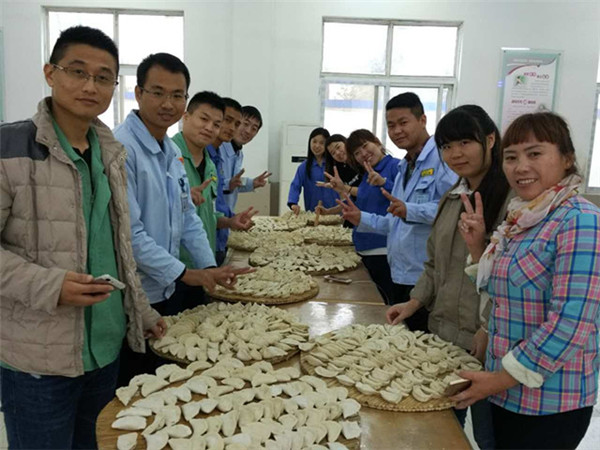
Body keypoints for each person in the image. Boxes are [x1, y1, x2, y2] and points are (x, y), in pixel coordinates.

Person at [0, 26, 164, 449]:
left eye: (103, 77)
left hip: (105, 349)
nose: (90, 86)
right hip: (39, 359)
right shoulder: (10, 147)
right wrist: (50, 285)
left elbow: (119, 247)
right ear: (50, 73)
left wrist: (141, 312)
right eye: (77, 71)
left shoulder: (110, 153)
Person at [452, 112, 600, 449]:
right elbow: (502, 293)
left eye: (534, 153)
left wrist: (499, 380)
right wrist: (477, 248)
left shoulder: (580, 221)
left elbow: (571, 323)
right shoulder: (524, 217)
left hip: (550, 401)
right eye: (511, 157)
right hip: (504, 391)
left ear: (567, 158)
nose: (521, 167)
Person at [114, 54, 250, 379]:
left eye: (177, 95)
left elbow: (188, 216)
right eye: (157, 92)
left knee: (166, 374)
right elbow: (129, 234)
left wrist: (209, 268)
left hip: (166, 288)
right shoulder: (122, 148)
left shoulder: (171, 152)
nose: (167, 103)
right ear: (138, 93)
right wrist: (186, 273)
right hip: (135, 293)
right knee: (137, 381)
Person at [386, 105, 511, 449]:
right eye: (447, 146)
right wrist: (414, 303)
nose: (455, 154)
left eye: (465, 143)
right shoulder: (452, 198)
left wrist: (488, 327)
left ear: (490, 140)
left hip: (486, 344)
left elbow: (511, 279)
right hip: (443, 336)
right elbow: (434, 264)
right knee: (442, 429)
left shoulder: (511, 203)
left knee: (488, 435)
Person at [340, 93, 457, 329]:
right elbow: (395, 221)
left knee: (424, 343)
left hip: (427, 278)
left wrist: (409, 210)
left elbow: (453, 210)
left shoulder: (442, 160)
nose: (397, 131)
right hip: (402, 273)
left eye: (403, 122)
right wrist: (361, 218)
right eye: (391, 125)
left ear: (422, 120)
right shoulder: (405, 166)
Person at [172, 91, 257, 260]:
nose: (210, 128)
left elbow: (208, 213)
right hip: (176, 264)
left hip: (205, 258)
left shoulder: (210, 164)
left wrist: (230, 222)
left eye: (216, 124)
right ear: (186, 117)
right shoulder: (167, 157)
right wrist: (177, 199)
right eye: (204, 119)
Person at [224, 105, 271, 213]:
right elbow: (211, 183)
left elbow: (234, 182)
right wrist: (228, 184)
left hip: (226, 215)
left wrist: (252, 183)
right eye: (245, 124)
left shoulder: (239, 153)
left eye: (254, 129)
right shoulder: (218, 148)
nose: (248, 131)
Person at [287, 127, 339, 213]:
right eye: (314, 141)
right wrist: (293, 203)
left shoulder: (335, 164)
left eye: (322, 143)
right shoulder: (304, 167)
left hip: (335, 212)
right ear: (309, 142)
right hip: (313, 213)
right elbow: (295, 186)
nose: (317, 146)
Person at [315, 134, 361, 226]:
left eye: (338, 147)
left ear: (345, 142)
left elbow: (369, 193)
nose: (338, 153)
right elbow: (348, 202)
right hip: (356, 218)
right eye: (333, 153)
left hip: (370, 216)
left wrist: (344, 188)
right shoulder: (340, 171)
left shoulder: (361, 160)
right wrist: (328, 211)